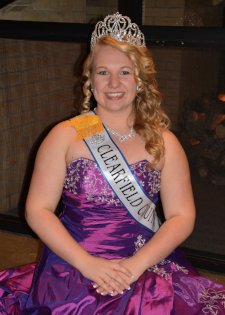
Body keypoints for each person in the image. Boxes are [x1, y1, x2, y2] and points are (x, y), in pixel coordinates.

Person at [0, 12, 225, 315]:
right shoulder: (65, 136)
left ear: (140, 80)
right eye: (103, 72)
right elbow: (37, 210)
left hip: (142, 262)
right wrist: (88, 264)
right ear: (90, 79)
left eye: (125, 72)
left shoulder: (164, 142)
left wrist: (134, 267)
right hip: (72, 262)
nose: (114, 83)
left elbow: (182, 216)